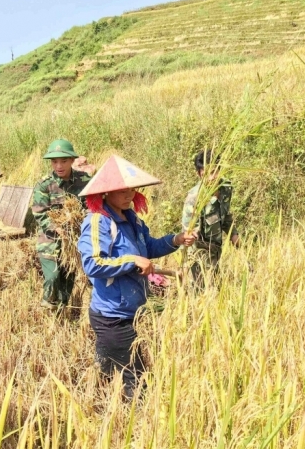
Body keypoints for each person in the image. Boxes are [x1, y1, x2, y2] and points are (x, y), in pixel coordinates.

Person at [77, 155, 196, 399]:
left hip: (131, 310)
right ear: (106, 192)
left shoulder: (132, 219)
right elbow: (93, 264)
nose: (128, 194)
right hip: (112, 315)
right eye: (121, 190)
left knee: (109, 371)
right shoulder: (99, 221)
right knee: (135, 377)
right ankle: (136, 422)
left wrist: (176, 240)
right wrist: (131, 261)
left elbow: (148, 248)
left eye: (131, 188)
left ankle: (102, 402)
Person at [31, 139, 92, 311]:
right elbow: (39, 212)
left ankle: (61, 311)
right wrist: (55, 227)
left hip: (74, 242)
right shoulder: (45, 185)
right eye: (55, 161)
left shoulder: (84, 181)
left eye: (63, 161)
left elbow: (92, 206)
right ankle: (48, 306)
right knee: (52, 277)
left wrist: (83, 221)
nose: (59, 165)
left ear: (72, 161)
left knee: (67, 279)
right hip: (50, 240)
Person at [181, 149, 240, 290]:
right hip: (199, 253)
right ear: (199, 174)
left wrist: (233, 234)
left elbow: (225, 215)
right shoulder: (194, 199)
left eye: (214, 172)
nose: (211, 178)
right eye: (205, 174)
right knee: (201, 292)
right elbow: (187, 234)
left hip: (216, 249)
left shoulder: (226, 188)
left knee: (217, 289)